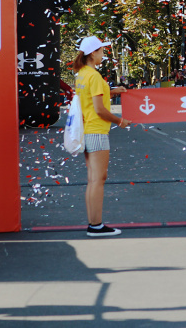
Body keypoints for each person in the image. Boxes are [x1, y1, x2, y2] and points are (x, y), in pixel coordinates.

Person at [72, 36, 132, 237]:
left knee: (92, 179)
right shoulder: (94, 76)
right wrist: (119, 121)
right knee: (98, 179)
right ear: (92, 53)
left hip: (86, 131)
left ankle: (93, 223)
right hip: (97, 130)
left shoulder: (82, 74)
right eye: (101, 51)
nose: (103, 54)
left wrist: (112, 91)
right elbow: (99, 109)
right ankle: (96, 225)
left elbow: (92, 98)